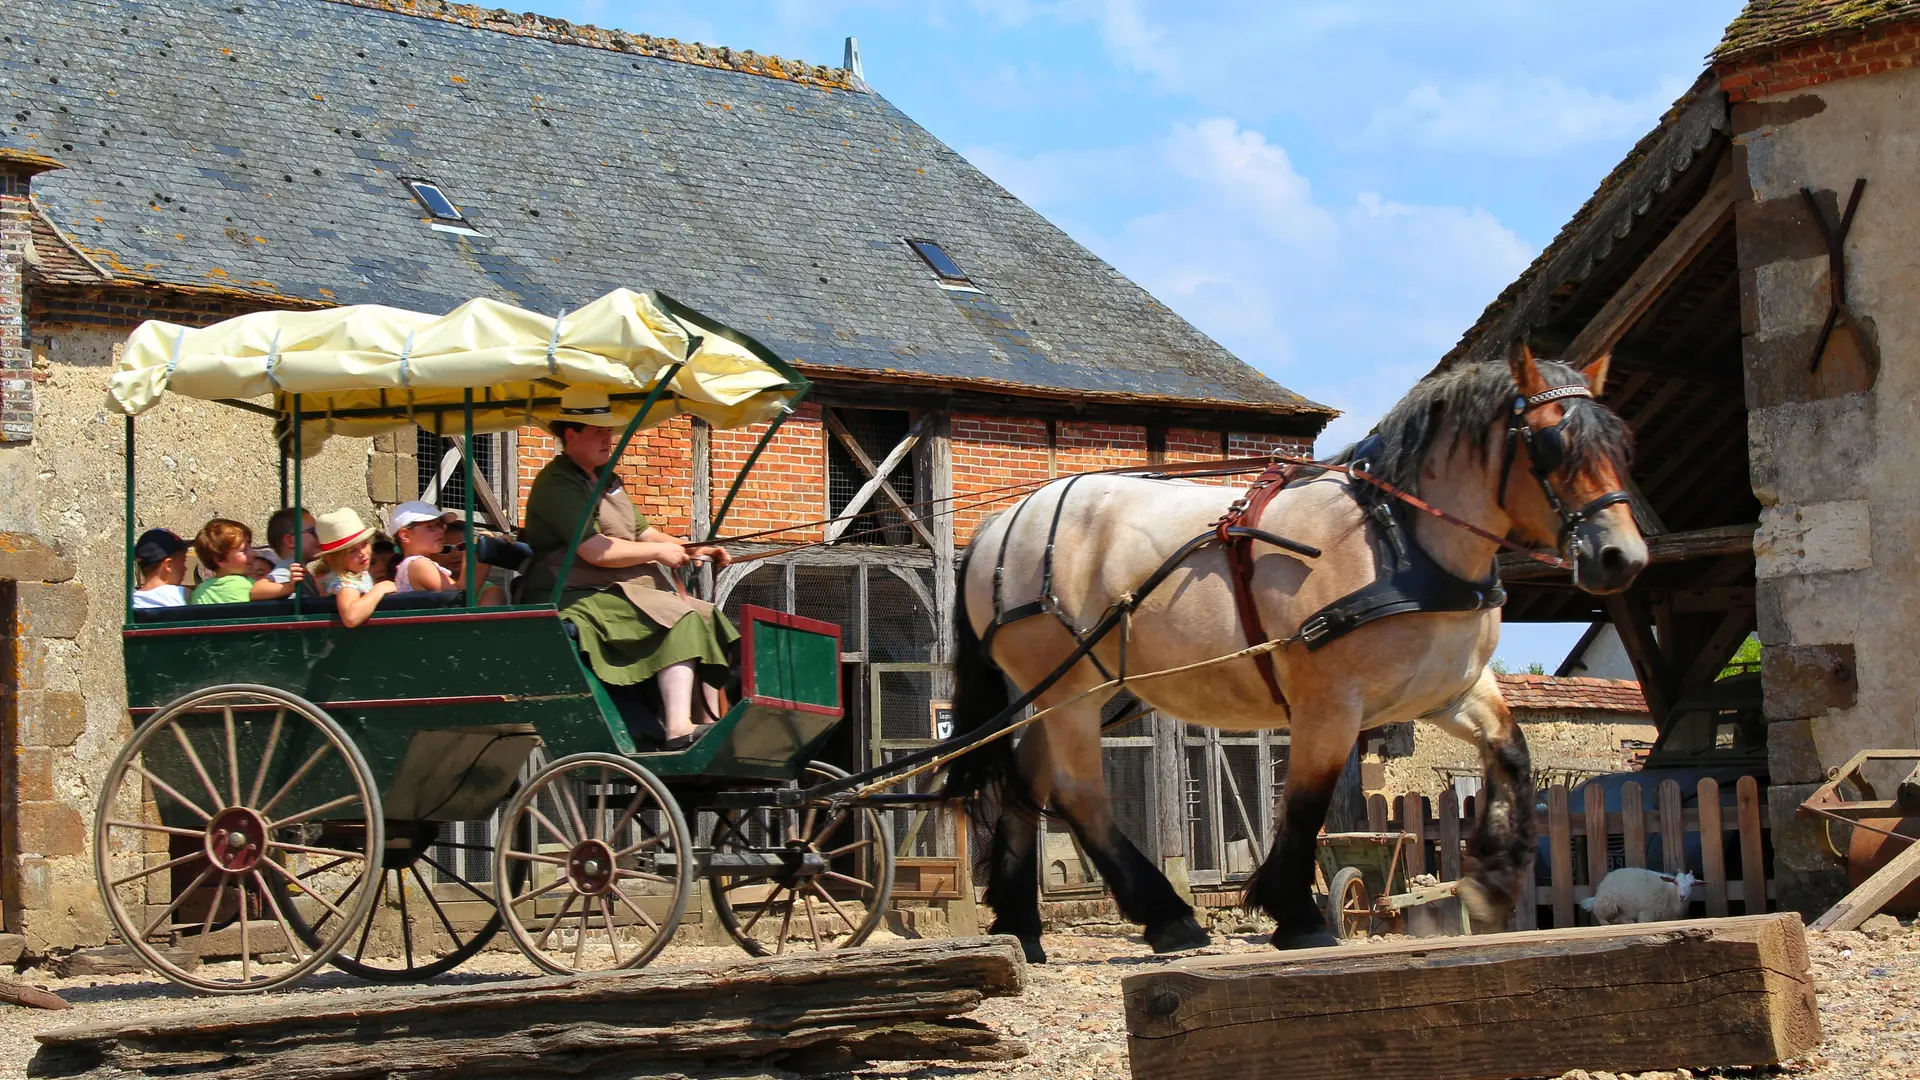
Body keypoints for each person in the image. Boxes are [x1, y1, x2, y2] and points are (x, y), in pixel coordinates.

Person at [521, 389, 734, 749]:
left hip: (618, 588)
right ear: (570, 435)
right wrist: (659, 553)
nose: (608, 439)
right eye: (597, 431)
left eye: (609, 431)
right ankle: (678, 726)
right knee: (678, 618)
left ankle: (707, 720)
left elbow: (641, 532)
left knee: (709, 616)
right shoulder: (557, 483)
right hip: (573, 594)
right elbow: (595, 551)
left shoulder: (608, 480)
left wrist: (695, 549)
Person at [388, 501, 505, 604]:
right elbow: (460, 597)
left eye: (441, 526)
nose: (440, 531)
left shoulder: (414, 564)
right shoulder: (417, 564)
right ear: (405, 535)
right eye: (431, 527)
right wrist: (475, 552)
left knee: (493, 594)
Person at [310, 508, 395, 627]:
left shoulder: (357, 574)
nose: (362, 553)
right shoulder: (346, 583)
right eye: (352, 550)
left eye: (365, 544)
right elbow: (351, 617)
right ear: (332, 559)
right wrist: (379, 589)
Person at [191, 519, 306, 604]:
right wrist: (289, 586)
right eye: (244, 550)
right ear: (220, 560)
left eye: (250, 547)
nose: (253, 553)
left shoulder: (199, 591)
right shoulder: (241, 584)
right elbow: (257, 591)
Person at [131, 528, 190, 609]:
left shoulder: (133, 602)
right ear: (168, 565)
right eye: (183, 561)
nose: (185, 568)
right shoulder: (183, 595)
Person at [262, 507, 318, 586]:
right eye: (313, 532)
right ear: (290, 541)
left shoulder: (296, 568)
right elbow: (260, 587)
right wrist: (288, 587)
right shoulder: (288, 567)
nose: (319, 537)